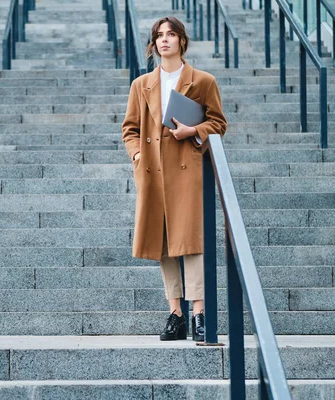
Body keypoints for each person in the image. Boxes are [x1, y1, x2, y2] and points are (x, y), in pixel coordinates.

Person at [121, 16, 227, 342]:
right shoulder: (141, 84)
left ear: (182, 40)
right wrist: (138, 156)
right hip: (153, 174)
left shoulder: (203, 81)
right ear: (154, 44)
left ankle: (199, 313)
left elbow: (218, 124)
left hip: (186, 170)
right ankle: (176, 314)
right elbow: (130, 130)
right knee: (163, 244)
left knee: (191, 242)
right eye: (159, 36)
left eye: (171, 34)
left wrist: (193, 131)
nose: (164, 40)